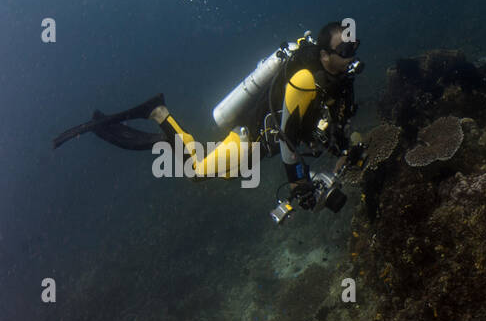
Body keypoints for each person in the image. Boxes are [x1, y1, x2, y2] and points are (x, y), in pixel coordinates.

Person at [53, 21, 366, 220]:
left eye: (354, 46)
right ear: (325, 55)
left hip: (266, 145)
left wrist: (345, 151)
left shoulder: (340, 77)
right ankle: (159, 114)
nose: (352, 53)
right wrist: (298, 183)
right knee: (197, 171)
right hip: (253, 137)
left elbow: (336, 124)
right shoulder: (305, 80)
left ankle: (168, 135)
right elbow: (286, 140)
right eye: (345, 49)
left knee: (230, 175)